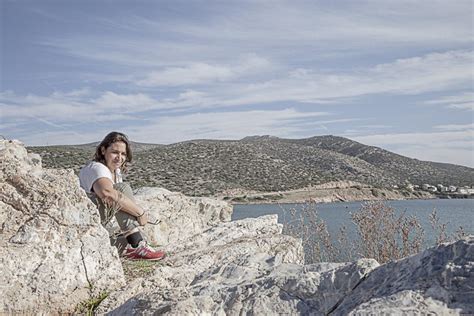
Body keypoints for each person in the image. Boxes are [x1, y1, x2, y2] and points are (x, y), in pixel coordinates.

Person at [79, 131, 165, 261]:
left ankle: (133, 245)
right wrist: (140, 212)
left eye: (123, 154)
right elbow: (107, 194)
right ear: (103, 150)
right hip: (84, 220)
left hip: (97, 224)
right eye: (115, 152)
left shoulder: (116, 172)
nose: (119, 157)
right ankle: (136, 245)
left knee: (122, 243)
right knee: (121, 189)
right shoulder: (97, 168)